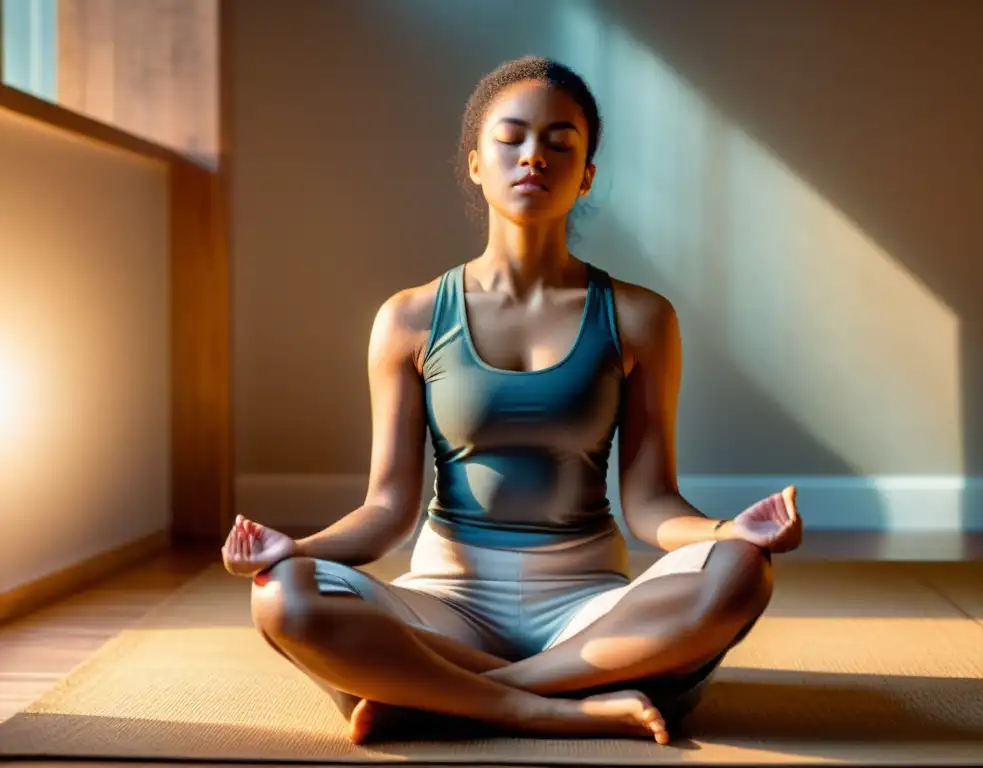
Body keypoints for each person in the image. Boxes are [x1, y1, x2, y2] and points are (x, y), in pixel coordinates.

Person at [221, 56, 803, 746]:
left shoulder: (642, 317)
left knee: (741, 574)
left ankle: (442, 695)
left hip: (587, 607)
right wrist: (294, 551)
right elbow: (387, 511)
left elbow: (651, 505)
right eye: (512, 137)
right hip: (447, 603)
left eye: (562, 143)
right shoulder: (409, 318)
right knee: (285, 597)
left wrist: (729, 533)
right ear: (474, 163)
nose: (534, 155)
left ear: (585, 177)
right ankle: (554, 704)